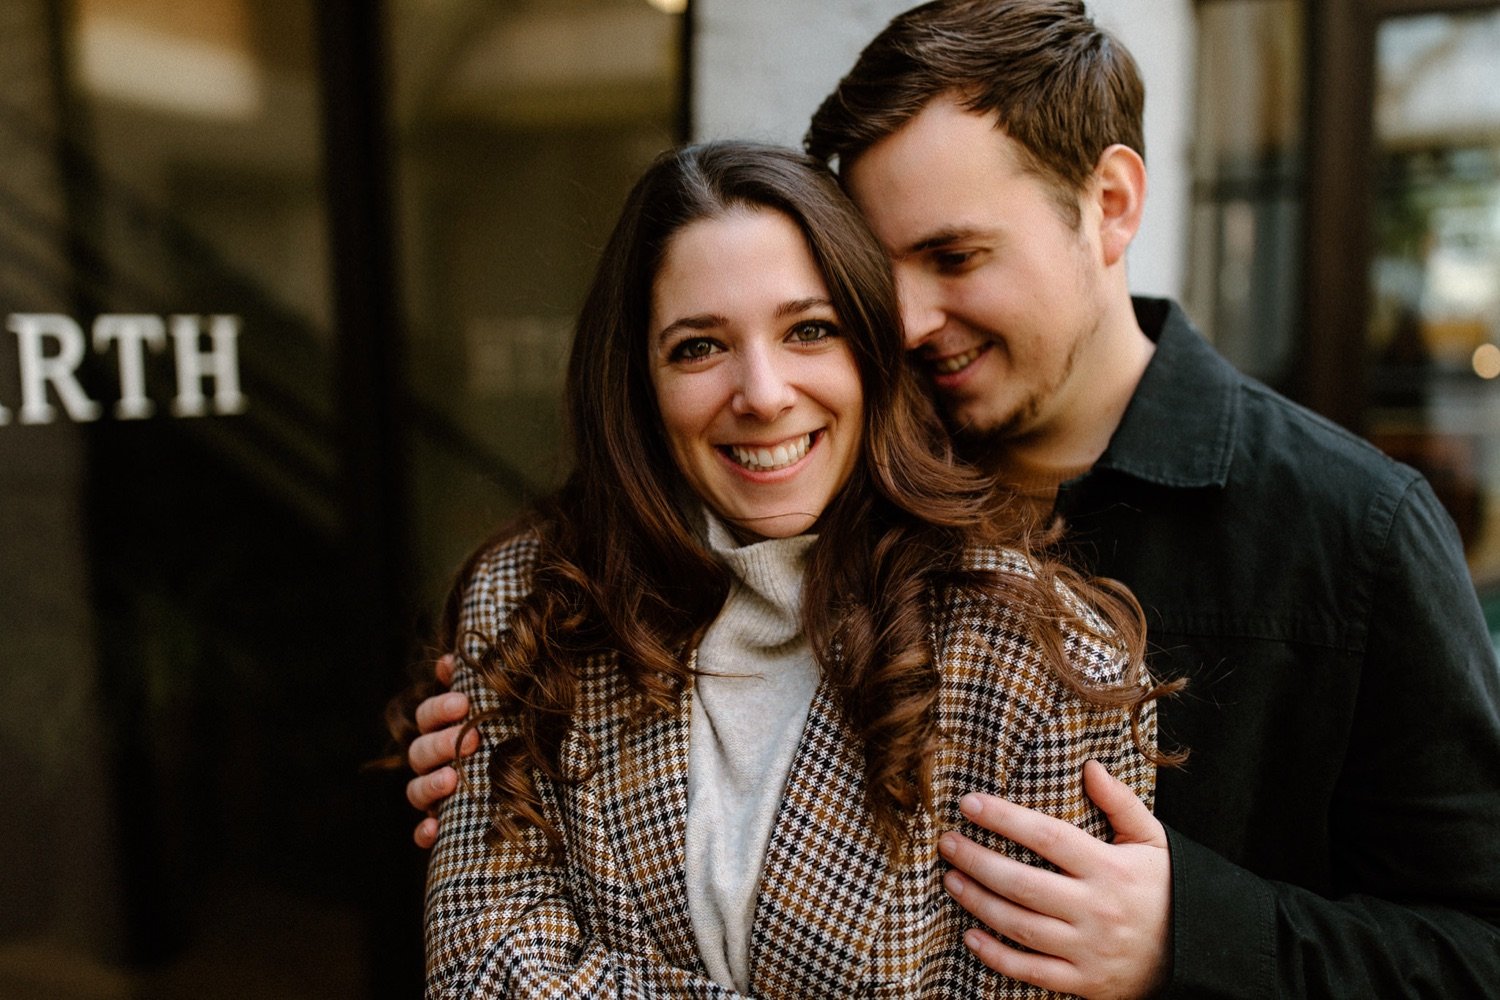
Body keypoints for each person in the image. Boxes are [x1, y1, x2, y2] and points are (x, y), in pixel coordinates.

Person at [406, 2, 1500, 998]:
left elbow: (1478, 950)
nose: (914, 320)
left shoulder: (1347, 528)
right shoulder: (819, 477)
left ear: (1110, 206)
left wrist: (1193, 933)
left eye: (955, 255)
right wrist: (523, 743)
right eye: (875, 277)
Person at [420, 140, 1167, 997]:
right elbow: (481, 975)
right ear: (639, 382)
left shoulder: (1036, 658)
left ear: (873, 355)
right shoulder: (530, 604)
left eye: (810, 330)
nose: (764, 393)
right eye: (699, 347)